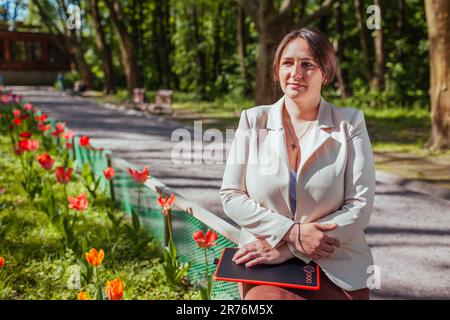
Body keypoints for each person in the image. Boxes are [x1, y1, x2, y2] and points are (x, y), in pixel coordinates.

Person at [219, 27, 376, 300]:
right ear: (277, 69)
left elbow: (359, 206)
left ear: (325, 73)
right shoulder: (252, 120)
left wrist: (290, 248)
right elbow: (231, 196)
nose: (296, 73)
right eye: (288, 63)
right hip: (264, 261)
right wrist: (290, 233)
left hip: (335, 262)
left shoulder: (350, 123)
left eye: (308, 64)